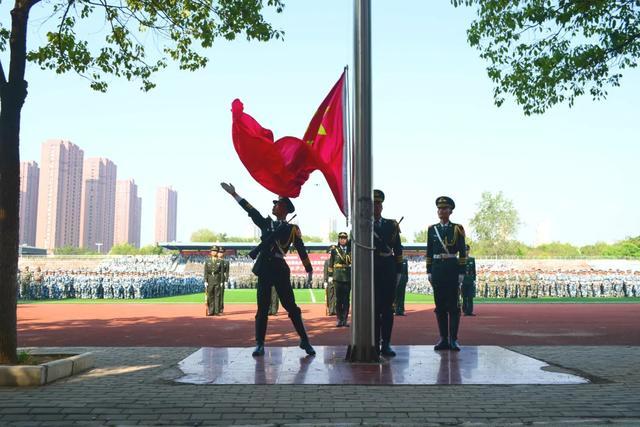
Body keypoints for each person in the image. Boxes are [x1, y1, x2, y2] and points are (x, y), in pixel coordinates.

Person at [221, 182, 316, 357]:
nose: (274, 206)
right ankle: (259, 343)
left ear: (285, 208)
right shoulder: (266, 224)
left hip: (280, 269)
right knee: (262, 308)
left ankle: (305, 340)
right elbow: (251, 211)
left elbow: (301, 249)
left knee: (291, 307)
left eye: (277, 204)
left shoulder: (292, 229)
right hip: (265, 268)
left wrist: (309, 269)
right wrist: (235, 195)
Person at [426, 196, 467, 351]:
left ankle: (453, 339)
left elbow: (462, 252)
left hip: (451, 268)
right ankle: (443, 338)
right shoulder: (432, 229)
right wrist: (429, 271)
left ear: (450, 211)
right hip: (437, 269)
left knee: (454, 306)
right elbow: (429, 251)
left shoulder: (457, 228)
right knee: (440, 305)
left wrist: (461, 272)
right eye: (439, 209)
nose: (441, 211)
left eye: (444, 208)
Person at [373, 189, 403, 357]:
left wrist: (398, 271)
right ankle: (374, 343)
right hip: (371, 269)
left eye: (378, 204)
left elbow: (398, 249)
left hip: (388, 268)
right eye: (372, 204)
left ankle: (386, 343)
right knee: (374, 309)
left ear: (382, 207)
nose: (375, 207)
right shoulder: (364, 225)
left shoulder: (391, 225)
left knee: (387, 309)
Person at [328, 232, 352, 327]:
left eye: (344, 238)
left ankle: (345, 319)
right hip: (337, 277)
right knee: (338, 299)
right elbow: (331, 263)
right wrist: (330, 275)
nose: (343, 239)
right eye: (341, 238)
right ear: (338, 239)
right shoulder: (335, 250)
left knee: (346, 299)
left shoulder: (350, 249)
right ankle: (339, 319)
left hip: (347, 277)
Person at [204, 246, 223, 316]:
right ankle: (211, 311)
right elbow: (205, 272)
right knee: (210, 296)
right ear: (211, 252)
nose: (214, 252)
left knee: (217, 296)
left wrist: (221, 281)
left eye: (215, 251)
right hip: (210, 279)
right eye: (213, 251)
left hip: (217, 279)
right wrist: (205, 281)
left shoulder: (219, 261)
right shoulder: (207, 261)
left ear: (217, 252)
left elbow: (221, 272)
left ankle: (217, 311)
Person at [462, 245, 476, 316]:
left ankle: (470, 311)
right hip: (463, 280)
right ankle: (464, 310)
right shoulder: (460, 260)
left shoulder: (472, 259)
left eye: (467, 250)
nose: (466, 252)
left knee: (470, 297)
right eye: (465, 250)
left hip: (470, 280)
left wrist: (474, 280)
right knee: (464, 296)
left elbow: (474, 271)